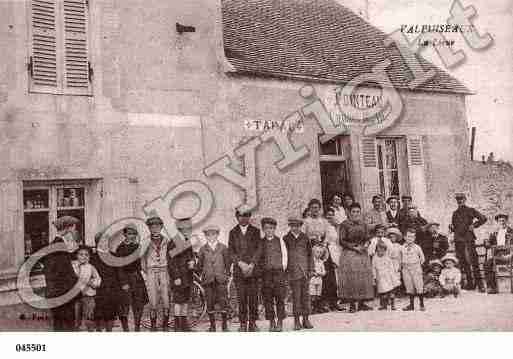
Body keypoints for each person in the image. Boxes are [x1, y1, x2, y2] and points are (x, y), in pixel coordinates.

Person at [43, 216, 80, 331]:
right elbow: (65, 274)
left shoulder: (54, 245)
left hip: (55, 294)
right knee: (67, 328)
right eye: (74, 229)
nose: (75, 233)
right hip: (63, 295)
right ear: (68, 230)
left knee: (59, 326)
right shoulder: (60, 248)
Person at [228, 209, 262, 332]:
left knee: (253, 298)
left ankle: (252, 323)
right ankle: (243, 323)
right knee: (241, 298)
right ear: (237, 217)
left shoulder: (256, 231)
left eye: (246, 215)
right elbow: (231, 251)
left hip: (253, 270)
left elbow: (259, 249)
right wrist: (240, 263)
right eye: (241, 216)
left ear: (250, 217)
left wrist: (252, 264)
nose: (243, 218)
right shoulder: (232, 232)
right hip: (239, 271)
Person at [338, 203, 374, 313]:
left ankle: (362, 303)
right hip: (350, 253)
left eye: (358, 211)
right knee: (352, 278)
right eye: (353, 211)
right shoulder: (344, 225)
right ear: (349, 213)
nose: (355, 214)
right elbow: (342, 240)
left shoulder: (363, 224)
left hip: (362, 252)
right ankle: (352, 304)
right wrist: (354, 247)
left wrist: (366, 244)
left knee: (363, 277)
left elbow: (368, 237)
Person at [449, 192, 487, 291]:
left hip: (468, 239)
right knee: (463, 262)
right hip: (458, 241)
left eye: (461, 199)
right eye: (458, 200)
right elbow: (454, 227)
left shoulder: (471, 210)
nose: (460, 201)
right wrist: (451, 228)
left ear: (465, 200)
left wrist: (474, 225)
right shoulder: (455, 213)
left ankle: (480, 285)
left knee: (474, 261)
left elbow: (483, 218)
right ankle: (470, 284)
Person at [197, 225, 231, 332]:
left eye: (213, 234)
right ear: (205, 236)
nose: (211, 236)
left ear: (217, 235)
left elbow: (228, 263)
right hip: (208, 280)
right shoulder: (202, 249)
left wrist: (226, 275)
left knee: (223, 302)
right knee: (210, 302)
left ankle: (224, 326)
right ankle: (212, 326)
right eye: (208, 235)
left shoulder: (223, 248)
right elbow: (199, 266)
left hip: (221, 280)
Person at [116, 224, 149, 332]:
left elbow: (141, 263)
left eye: (134, 234)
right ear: (125, 234)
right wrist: (123, 282)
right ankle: (126, 329)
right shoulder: (120, 248)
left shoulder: (137, 247)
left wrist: (144, 274)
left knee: (139, 304)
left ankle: (137, 328)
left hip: (137, 278)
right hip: (125, 278)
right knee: (124, 305)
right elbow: (119, 266)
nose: (132, 236)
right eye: (129, 233)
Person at [283, 217, 314, 330]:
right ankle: (296, 321)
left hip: (305, 272)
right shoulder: (286, 239)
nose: (295, 228)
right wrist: (286, 272)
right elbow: (284, 257)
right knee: (296, 297)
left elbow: (310, 254)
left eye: (297, 226)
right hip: (293, 272)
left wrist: (311, 269)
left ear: (300, 226)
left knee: (305, 296)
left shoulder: (305, 238)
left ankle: (306, 319)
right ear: (290, 226)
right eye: (293, 226)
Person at [141, 216, 171, 331]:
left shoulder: (166, 241)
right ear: (149, 228)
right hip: (151, 272)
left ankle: (165, 324)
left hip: (164, 271)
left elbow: (170, 256)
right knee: (152, 298)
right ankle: (153, 325)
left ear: (161, 227)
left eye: (157, 226)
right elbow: (142, 258)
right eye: (152, 226)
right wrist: (147, 270)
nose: (155, 229)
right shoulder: (145, 241)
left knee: (166, 297)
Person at [259, 217, 288, 332]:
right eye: (266, 228)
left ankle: (280, 321)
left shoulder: (280, 241)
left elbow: (285, 255)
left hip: (278, 273)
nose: (269, 230)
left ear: (275, 229)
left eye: (271, 228)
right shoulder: (261, 242)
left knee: (280, 298)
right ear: (263, 229)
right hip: (266, 275)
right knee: (268, 299)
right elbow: (259, 257)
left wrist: (282, 268)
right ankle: (271, 321)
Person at [90, 232, 123, 332]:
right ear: (97, 243)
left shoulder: (114, 255)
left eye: (106, 240)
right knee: (98, 315)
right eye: (103, 240)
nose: (105, 242)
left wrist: (119, 288)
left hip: (112, 290)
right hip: (98, 290)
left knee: (111, 315)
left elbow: (119, 273)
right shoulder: (92, 256)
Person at [168, 218, 196, 332]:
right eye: (184, 228)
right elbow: (171, 262)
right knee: (178, 301)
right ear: (179, 228)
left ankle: (184, 324)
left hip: (187, 276)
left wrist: (193, 261)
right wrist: (176, 277)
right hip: (179, 277)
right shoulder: (173, 242)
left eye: (188, 228)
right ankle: (177, 325)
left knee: (185, 301)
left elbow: (191, 255)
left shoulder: (187, 241)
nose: (186, 230)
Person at [72, 245, 102, 331]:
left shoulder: (90, 267)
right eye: (81, 254)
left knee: (89, 317)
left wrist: (92, 284)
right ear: (77, 255)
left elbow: (98, 279)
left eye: (86, 255)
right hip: (75, 296)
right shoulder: (72, 265)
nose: (84, 257)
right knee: (75, 317)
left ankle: (89, 330)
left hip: (88, 295)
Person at [484, 214, 513, 294]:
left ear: (507, 221)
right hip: (497, 255)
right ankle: (492, 287)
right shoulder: (494, 233)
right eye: (500, 221)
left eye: (503, 220)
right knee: (487, 264)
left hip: (510, 254)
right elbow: (488, 244)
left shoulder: (511, 232)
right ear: (497, 222)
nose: (502, 222)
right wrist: (486, 242)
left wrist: (510, 254)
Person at [323, 207, 344, 312]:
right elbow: (325, 241)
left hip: (336, 251)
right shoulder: (324, 226)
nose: (330, 216)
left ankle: (336, 302)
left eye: (332, 214)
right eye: (328, 214)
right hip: (327, 252)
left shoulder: (335, 227)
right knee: (329, 278)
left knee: (336, 277)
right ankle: (328, 302)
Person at [400, 228, 426, 311]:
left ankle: (421, 304)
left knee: (418, 285)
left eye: (412, 237)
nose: (410, 238)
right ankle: (411, 305)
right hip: (406, 268)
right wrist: (401, 266)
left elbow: (422, 258)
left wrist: (418, 265)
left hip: (415, 267)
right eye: (408, 236)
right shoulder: (402, 247)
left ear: (414, 238)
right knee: (409, 285)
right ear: (404, 237)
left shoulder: (417, 247)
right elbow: (399, 258)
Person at [372, 240, 400, 310]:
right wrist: (374, 277)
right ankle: (383, 305)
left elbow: (391, 268)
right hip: (380, 277)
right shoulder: (374, 258)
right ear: (376, 250)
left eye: (383, 251)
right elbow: (373, 268)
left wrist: (393, 276)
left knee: (391, 292)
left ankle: (393, 305)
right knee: (382, 292)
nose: (381, 252)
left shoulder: (387, 258)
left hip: (388, 277)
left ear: (385, 251)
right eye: (379, 251)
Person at [310, 245, 326, 314]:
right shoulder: (311, 261)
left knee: (318, 294)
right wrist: (313, 273)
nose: (319, 254)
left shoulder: (321, 262)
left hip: (319, 280)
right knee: (313, 294)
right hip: (313, 280)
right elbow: (310, 270)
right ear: (313, 252)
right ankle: (313, 308)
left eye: (320, 253)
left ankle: (318, 307)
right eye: (317, 252)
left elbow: (324, 271)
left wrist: (321, 273)